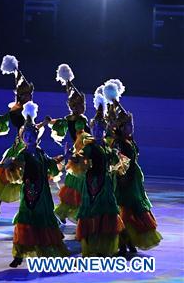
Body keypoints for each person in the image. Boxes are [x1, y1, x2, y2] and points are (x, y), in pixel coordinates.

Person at [0, 102, 69, 267]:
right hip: (29, 191)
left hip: (43, 193)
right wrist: (9, 163)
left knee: (43, 219)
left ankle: (46, 250)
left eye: (32, 135)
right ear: (22, 137)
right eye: (26, 135)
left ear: (37, 136)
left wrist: (65, 156)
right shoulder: (23, 154)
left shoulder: (41, 152)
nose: (29, 137)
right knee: (26, 220)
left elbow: (51, 164)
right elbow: (16, 163)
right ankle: (19, 254)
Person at [68, 95, 127, 257]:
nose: (98, 132)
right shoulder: (89, 146)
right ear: (92, 129)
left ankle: (109, 244)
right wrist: (71, 157)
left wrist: (116, 156)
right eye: (95, 129)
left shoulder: (108, 147)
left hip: (105, 184)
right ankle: (91, 244)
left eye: (101, 129)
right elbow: (80, 157)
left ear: (104, 129)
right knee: (90, 213)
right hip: (91, 183)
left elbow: (118, 162)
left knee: (107, 212)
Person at [112, 106, 163, 254]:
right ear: (121, 127)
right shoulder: (120, 143)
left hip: (134, 180)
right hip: (125, 179)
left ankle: (130, 242)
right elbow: (119, 163)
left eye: (131, 125)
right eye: (128, 125)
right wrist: (123, 179)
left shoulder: (130, 141)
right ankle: (123, 243)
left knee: (135, 210)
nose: (131, 128)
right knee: (126, 211)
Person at [0, 55, 33, 215]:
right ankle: (24, 204)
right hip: (23, 143)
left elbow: (3, 119)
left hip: (24, 141)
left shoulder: (22, 109)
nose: (30, 97)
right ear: (21, 95)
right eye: (27, 95)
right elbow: (4, 119)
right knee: (19, 174)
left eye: (30, 94)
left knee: (19, 176)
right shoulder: (19, 110)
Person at [48, 64, 91, 222]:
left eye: (82, 105)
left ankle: (70, 212)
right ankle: (66, 211)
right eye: (76, 105)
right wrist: (48, 122)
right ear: (71, 106)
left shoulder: (81, 119)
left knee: (79, 182)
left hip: (84, 149)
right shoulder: (75, 119)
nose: (80, 107)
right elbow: (61, 124)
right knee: (77, 182)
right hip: (80, 150)